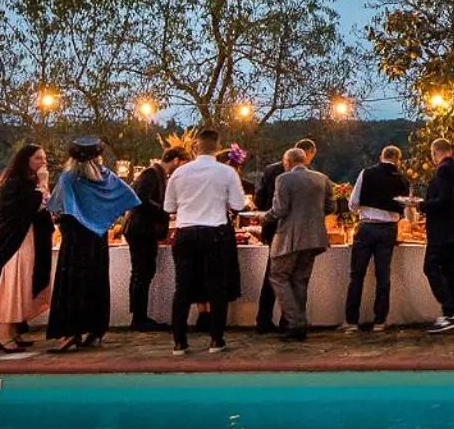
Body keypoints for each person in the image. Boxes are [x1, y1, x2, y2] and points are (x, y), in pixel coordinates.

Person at [45, 136, 139, 352]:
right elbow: (129, 196)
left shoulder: (69, 179)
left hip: (75, 239)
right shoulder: (107, 178)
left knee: (72, 285)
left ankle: (71, 331)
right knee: (96, 282)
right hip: (97, 239)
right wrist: (105, 216)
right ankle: (95, 330)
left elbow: (59, 208)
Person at [165, 128, 244, 356]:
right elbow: (238, 204)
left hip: (185, 232)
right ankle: (216, 340)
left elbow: (169, 207)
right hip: (214, 232)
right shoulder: (226, 172)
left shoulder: (180, 173)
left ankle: (179, 342)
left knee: (182, 288)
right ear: (218, 146)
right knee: (216, 287)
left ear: (196, 146)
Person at [0, 144, 53, 354]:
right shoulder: (15, 184)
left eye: (44, 158)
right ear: (26, 160)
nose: (43, 162)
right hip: (16, 241)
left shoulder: (22, 183)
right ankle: (4, 333)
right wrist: (43, 183)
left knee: (23, 283)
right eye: (38, 158)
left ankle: (11, 331)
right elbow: (38, 204)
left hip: (27, 238)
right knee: (12, 284)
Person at [263, 146, 331, 342]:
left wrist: (264, 217)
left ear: (288, 162)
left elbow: (280, 210)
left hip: (289, 237)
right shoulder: (322, 179)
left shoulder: (283, 179)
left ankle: (296, 322)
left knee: (278, 276)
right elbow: (330, 207)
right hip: (315, 237)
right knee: (300, 280)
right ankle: (297, 323)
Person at [253, 139, 317, 334]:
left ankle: (265, 319)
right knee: (295, 278)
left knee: (273, 276)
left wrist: (265, 217)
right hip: (303, 232)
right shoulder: (315, 177)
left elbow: (260, 198)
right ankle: (289, 322)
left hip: (275, 229)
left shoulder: (271, 171)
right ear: (306, 153)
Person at [345, 146, 409, 332]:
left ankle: (351, 321)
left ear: (381, 157)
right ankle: (380, 320)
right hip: (389, 229)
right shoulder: (402, 179)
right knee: (383, 275)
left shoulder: (366, 173)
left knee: (357, 275)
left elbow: (353, 203)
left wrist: (363, 209)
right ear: (398, 159)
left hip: (366, 226)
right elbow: (406, 208)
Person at [126, 147, 185, 331]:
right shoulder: (151, 174)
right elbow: (141, 199)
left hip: (142, 230)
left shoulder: (156, 174)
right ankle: (139, 318)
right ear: (176, 160)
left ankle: (139, 315)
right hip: (141, 230)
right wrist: (164, 211)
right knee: (142, 273)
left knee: (142, 273)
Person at [421, 139, 454, 333]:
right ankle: (452, 312)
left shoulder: (443, 171)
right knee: (449, 268)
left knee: (430, 267)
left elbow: (445, 200)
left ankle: (450, 310)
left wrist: (422, 205)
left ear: (435, 152)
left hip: (442, 230)